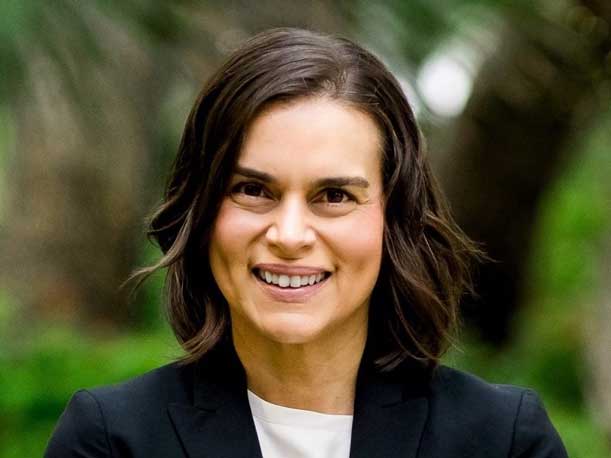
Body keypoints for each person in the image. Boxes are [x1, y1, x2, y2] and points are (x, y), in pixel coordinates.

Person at [45, 27, 568, 458]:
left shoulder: (504, 440)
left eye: (334, 196)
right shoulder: (110, 441)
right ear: (201, 211)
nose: (289, 236)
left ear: (393, 218)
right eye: (253, 190)